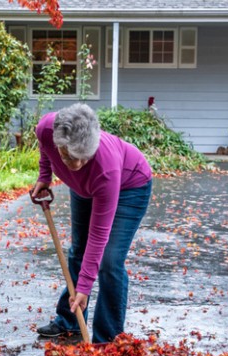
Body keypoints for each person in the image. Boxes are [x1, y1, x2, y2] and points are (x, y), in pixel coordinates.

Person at [31, 103, 153, 343]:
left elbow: (99, 236)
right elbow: (45, 148)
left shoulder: (105, 169)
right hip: (83, 189)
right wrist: (44, 176)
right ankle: (71, 320)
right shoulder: (46, 128)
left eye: (82, 158)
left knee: (110, 260)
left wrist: (85, 288)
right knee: (78, 251)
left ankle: (107, 338)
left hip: (130, 187)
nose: (76, 165)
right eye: (69, 157)